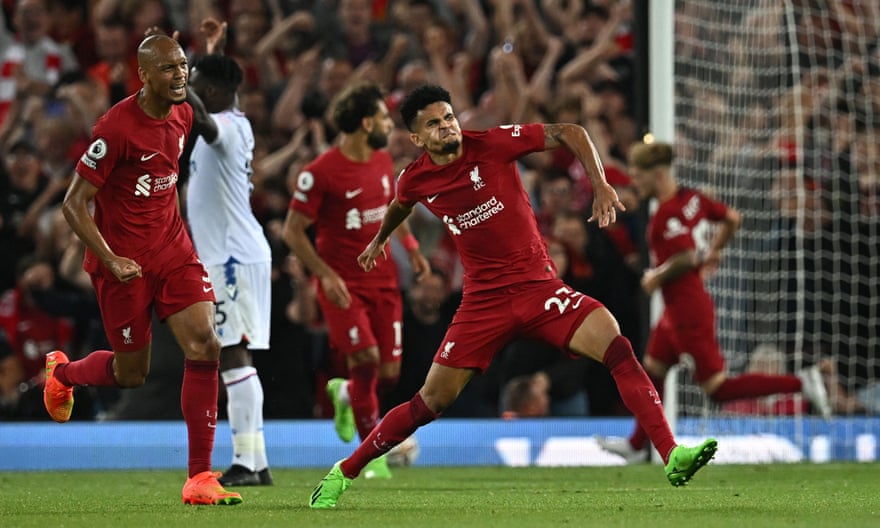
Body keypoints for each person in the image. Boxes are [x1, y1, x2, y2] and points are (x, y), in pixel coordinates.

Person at [308, 84, 718, 509]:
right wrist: (380, 240)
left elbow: (570, 131)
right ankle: (345, 471)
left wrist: (599, 184)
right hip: (483, 302)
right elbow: (400, 203)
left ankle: (671, 454)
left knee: (617, 346)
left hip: (539, 289)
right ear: (416, 139)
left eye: (448, 117)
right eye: (434, 123)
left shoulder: (492, 144)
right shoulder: (414, 178)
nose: (447, 126)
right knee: (430, 402)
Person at [42, 34, 242, 506]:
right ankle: (64, 374)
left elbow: (166, 182)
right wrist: (111, 258)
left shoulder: (184, 114)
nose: (180, 77)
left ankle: (199, 478)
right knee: (132, 373)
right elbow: (73, 205)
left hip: (173, 252)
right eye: (169, 69)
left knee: (206, 344)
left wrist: (176, 236)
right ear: (145, 75)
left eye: (183, 67)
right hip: (122, 265)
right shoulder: (114, 129)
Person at [597, 142, 832, 463]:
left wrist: (656, 276)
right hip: (678, 306)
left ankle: (801, 382)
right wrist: (716, 250)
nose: (635, 184)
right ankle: (638, 445)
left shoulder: (667, 214)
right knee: (653, 370)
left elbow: (685, 257)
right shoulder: (693, 199)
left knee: (717, 388)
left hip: (687, 308)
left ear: (658, 174)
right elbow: (733, 218)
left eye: (638, 177)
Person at [282, 81, 430, 480]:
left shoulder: (382, 161)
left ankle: (346, 393)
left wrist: (412, 248)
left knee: (387, 374)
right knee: (364, 359)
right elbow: (293, 232)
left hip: (383, 281)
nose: (389, 125)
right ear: (367, 123)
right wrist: (325, 275)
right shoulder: (320, 173)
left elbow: (391, 208)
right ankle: (373, 457)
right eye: (384, 117)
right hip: (342, 284)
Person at [185, 43, 273, 485]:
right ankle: (257, 462)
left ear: (214, 91)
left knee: (234, 354)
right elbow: (208, 100)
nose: (188, 91)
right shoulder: (225, 120)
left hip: (232, 257)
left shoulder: (227, 126)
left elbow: (203, 118)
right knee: (237, 355)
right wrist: (203, 53)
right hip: (231, 254)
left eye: (195, 84)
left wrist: (174, 77)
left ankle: (246, 463)